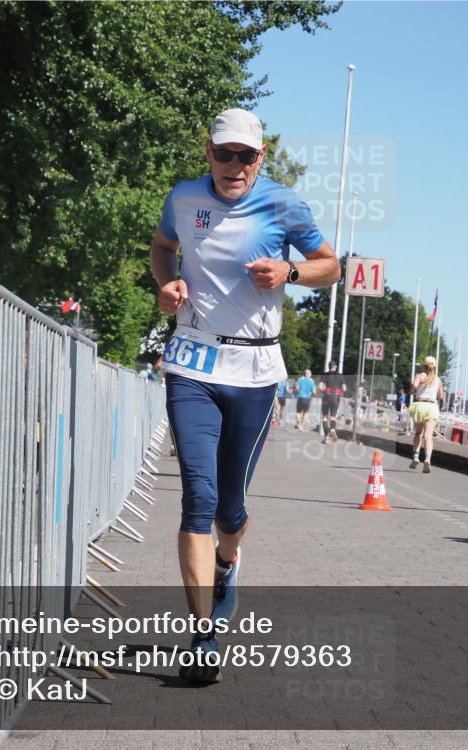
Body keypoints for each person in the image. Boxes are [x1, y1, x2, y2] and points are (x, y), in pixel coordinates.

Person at [150, 108, 340, 683]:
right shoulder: (183, 198)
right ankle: (204, 637)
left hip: (257, 369)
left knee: (231, 509)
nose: (233, 165)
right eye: (223, 153)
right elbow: (162, 246)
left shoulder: (284, 205)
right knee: (198, 500)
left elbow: (331, 266)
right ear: (207, 151)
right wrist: (166, 283)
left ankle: (228, 561)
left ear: (262, 158)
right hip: (192, 363)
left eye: (246, 156)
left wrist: (289, 273)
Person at [409, 356, 444, 473]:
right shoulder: (438, 379)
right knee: (428, 436)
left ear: (424, 366)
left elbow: (413, 387)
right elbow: (441, 397)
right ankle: (427, 459)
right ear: (434, 366)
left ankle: (415, 457)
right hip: (431, 407)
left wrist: (412, 389)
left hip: (419, 405)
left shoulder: (419, 376)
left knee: (418, 433)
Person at [318, 360, 346, 443]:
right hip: (336, 397)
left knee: (325, 417)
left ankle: (326, 437)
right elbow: (344, 389)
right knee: (333, 417)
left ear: (329, 366)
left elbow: (320, 387)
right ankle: (333, 429)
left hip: (326, 396)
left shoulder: (325, 375)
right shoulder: (341, 376)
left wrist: (324, 391)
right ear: (336, 366)